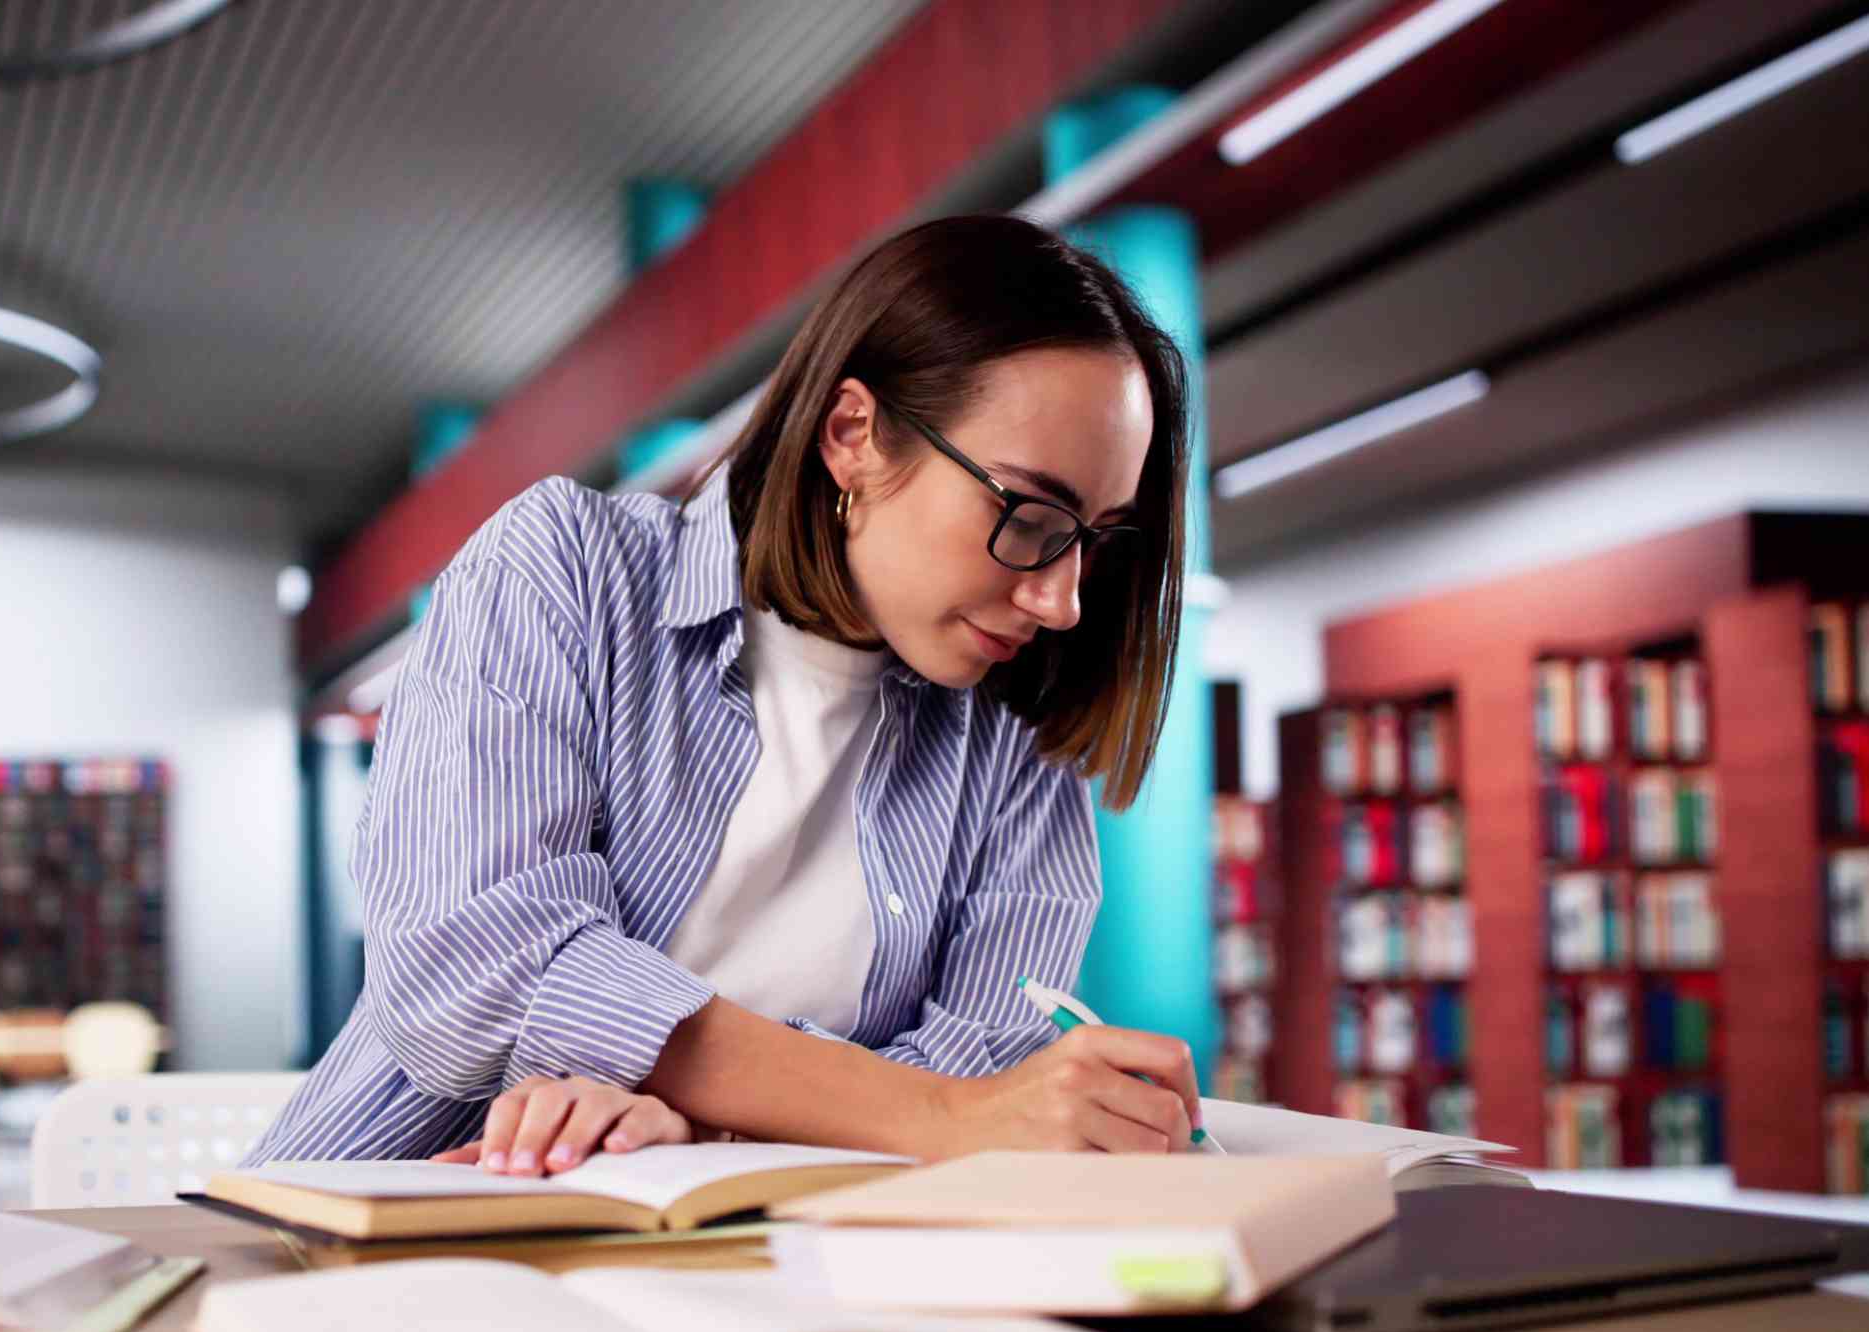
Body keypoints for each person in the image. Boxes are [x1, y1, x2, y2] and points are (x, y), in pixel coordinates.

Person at [247, 213, 1201, 1176]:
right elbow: (473, 973)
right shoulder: (567, 572)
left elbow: (989, 1075)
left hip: (778, 1255)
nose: (1063, 600)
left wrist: (696, 1131)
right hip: (386, 1229)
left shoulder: (1013, 738)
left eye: (1098, 540)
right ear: (853, 435)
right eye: (1029, 515)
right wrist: (928, 1111)